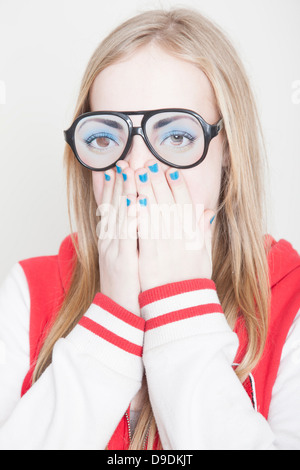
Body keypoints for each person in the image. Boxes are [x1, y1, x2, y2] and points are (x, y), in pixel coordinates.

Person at [0, 8, 299, 451]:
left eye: (176, 136)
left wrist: (180, 308)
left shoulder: (289, 298)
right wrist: (113, 315)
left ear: (228, 153)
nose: (136, 164)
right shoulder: (29, 290)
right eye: (105, 138)